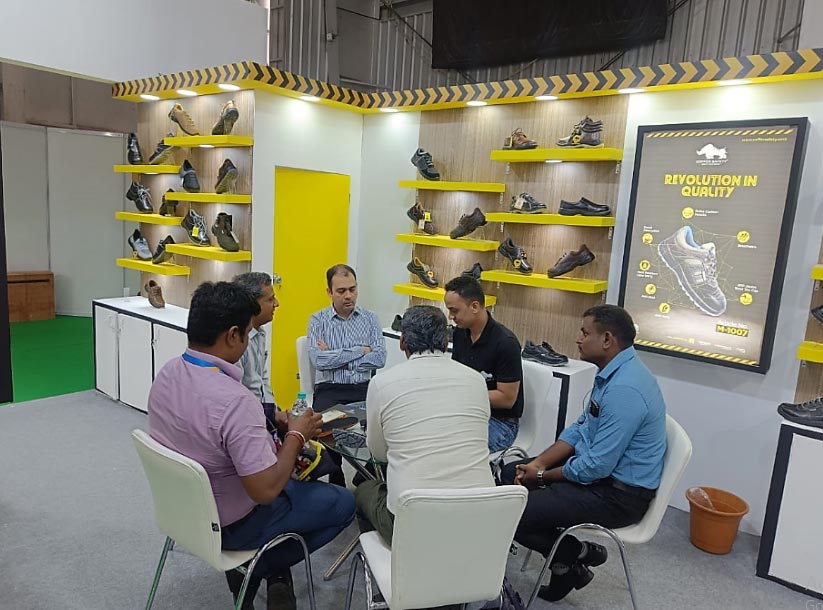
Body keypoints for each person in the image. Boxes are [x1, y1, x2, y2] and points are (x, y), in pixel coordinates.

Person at [148, 281, 355, 610]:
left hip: (183, 515)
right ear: (233, 335)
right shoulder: (235, 401)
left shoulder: (167, 374)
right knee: (344, 503)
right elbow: (265, 490)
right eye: (247, 333)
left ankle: (256, 570)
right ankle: (258, 565)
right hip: (234, 525)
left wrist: (269, 423)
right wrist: (297, 435)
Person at [502, 305, 667, 603]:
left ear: (607, 339)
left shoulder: (625, 389)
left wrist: (542, 476)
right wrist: (538, 463)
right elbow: (580, 428)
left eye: (584, 332)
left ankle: (568, 558)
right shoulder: (614, 373)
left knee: (511, 510)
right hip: (601, 476)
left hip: (620, 496)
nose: (578, 338)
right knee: (508, 475)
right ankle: (575, 556)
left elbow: (595, 467)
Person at [355, 305, 494, 545]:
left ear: (403, 342)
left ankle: (386, 558)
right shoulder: (476, 380)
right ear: (446, 341)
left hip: (412, 522)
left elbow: (378, 453)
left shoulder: (382, 383)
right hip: (480, 515)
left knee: (364, 490)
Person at [444, 276, 524, 452]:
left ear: (474, 306)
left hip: (500, 423)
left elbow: (507, 399)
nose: (450, 317)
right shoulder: (460, 333)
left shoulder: (506, 343)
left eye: (454, 310)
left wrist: (463, 394)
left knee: (450, 448)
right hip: (468, 412)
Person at [233, 271, 282, 431]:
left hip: (264, 414)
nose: (276, 304)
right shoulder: (236, 342)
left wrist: (274, 412)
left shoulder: (260, 333)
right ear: (252, 304)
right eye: (270, 299)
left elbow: (263, 381)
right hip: (246, 421)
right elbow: (238, 396)